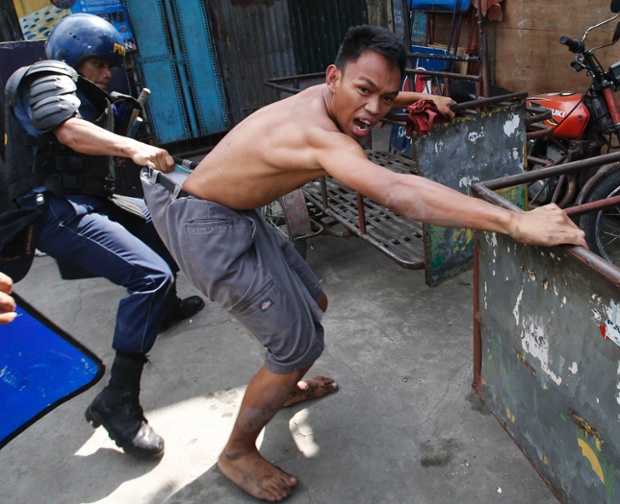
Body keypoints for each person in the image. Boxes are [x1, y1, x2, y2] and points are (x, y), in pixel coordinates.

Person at [141, 25, 587, 501]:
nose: (374, 109)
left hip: (227, 208)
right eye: (365, 91)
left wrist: (419, 98)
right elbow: (397, 192)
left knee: (315, 300)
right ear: (334, 76)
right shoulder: (320, 138)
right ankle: (236, 451)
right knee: (298, 346)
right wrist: (513, 223)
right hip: (205, 224)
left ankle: (282, 383)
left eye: (386, 96)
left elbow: (377, 95)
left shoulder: (326, 95)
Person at [1, 13, 205, 459]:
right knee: (148, 275)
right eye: (100, 64)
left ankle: (163, 310)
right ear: (75, 55)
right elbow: (67, 130)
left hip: (89, 198)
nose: (109, 73)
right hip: (53, 207)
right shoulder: (44, 75)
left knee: (160, 228)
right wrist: (133, 147)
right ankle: (118, 401)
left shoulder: (93, 95)